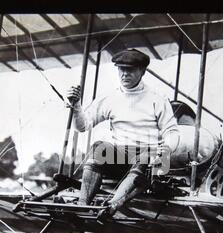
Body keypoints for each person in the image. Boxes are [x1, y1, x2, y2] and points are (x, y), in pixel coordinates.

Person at [66, 48, 180, 217]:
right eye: (121, 69)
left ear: (142, 71)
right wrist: (75, 106)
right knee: (99, 147)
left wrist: (166, 150)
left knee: (146, 156)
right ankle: (82, 205)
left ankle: (111, 206)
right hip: (120, 159)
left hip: (150, 161)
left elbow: (172, 132)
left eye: (130, 70)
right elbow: (83, 126)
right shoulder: (109, 98)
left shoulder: (158, 98)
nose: (125, 74)